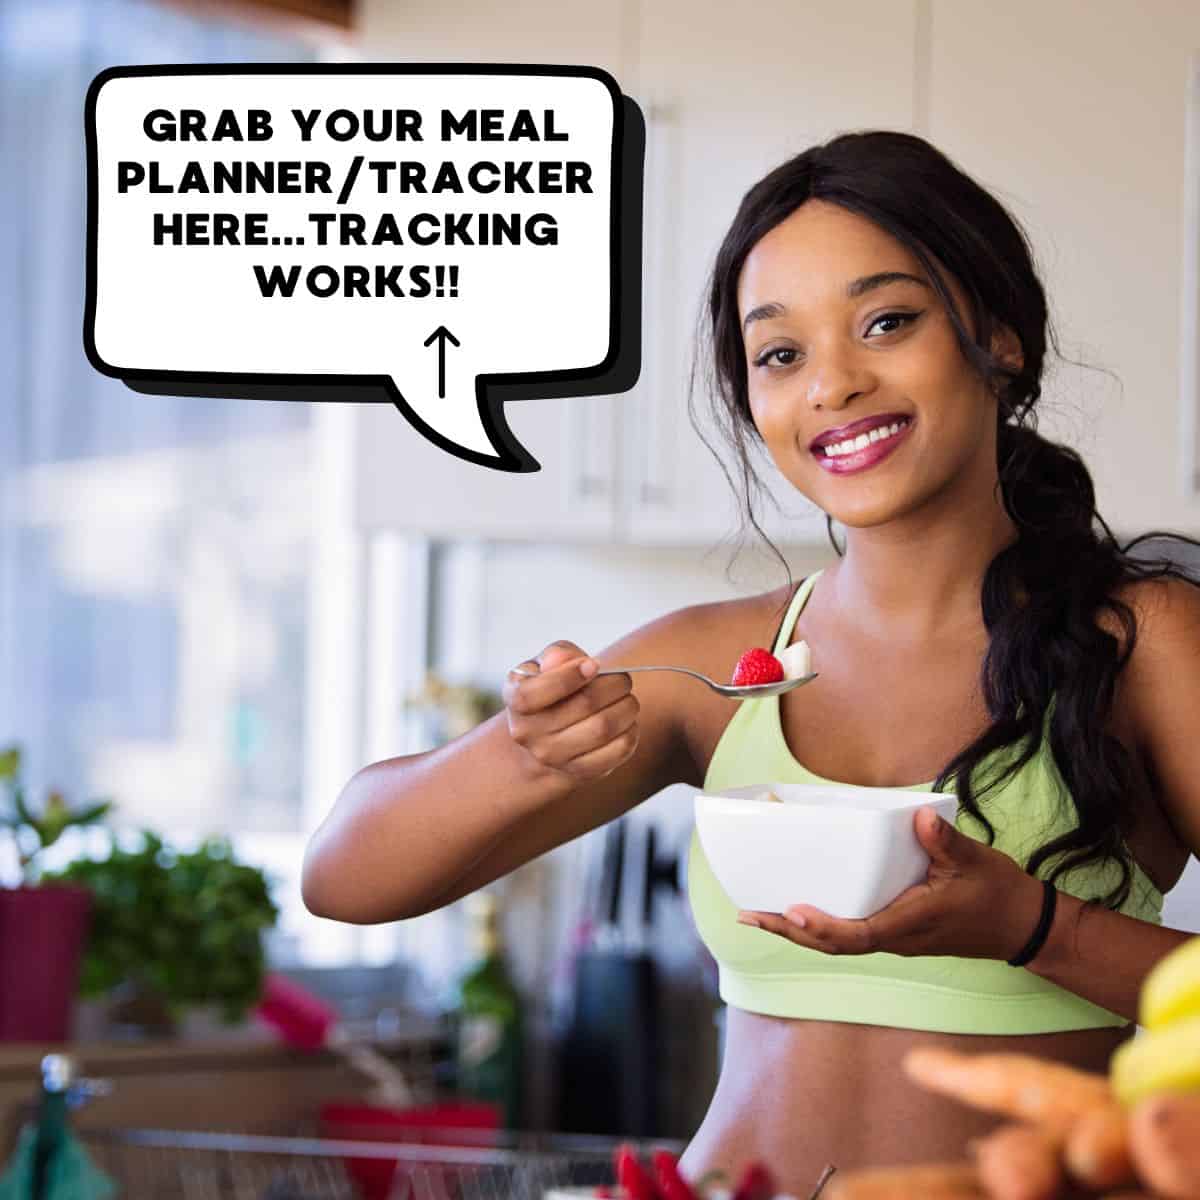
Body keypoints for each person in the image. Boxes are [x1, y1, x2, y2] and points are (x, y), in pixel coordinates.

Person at [302, 130, 1200, 1194]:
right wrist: (529, 752)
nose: (833, 384)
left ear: (996, 336)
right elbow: (344, 877)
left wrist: (1032, 925)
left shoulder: (1140, 641)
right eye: (780, 354)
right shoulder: (721, 665)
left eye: (888, 322)